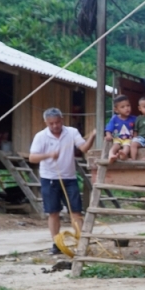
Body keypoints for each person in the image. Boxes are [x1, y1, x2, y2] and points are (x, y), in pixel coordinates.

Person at [28, 107, 96, 255]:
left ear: (62, 120)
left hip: (69, 178)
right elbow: (32, 158)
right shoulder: (41, 136)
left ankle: (82, 243)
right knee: (53, 212)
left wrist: (92, 136)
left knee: (76, 212)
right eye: (51, 123)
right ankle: (56, 243)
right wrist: (48, 155)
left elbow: (84, 148)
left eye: (57, 123)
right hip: (49, 178)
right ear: (45, 122)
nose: (55, 126)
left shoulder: (71, 132)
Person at [104, 95, 137, 162]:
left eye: (128, 106)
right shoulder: (114, 118)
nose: (126, 108)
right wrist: (108, 135)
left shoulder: (134, 118)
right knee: (115, 146)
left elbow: (142, 122)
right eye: (122, 107)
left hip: (128, 139)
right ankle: (111, 155)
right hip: (117, 138)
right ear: (116, 110)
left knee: (126, 146)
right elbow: (108, 128)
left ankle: (123, 154)